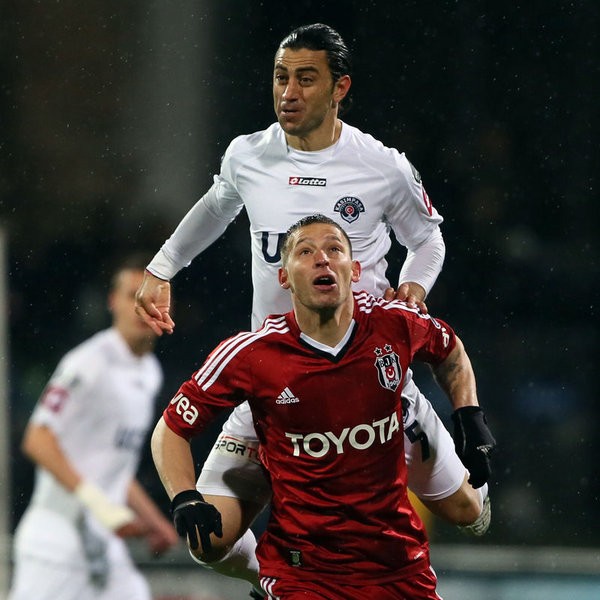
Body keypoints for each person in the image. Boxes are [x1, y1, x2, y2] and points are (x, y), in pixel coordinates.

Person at [135, 22, 495, 596]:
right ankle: (276, 581)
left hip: (370, 377)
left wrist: (413, 288)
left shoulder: (381, 165)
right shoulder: (248, 156)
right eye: (281, 77)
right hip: (275, 381)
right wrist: (161, 269)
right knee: (207, 540)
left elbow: (428, 238)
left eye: (306, 79)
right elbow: (217, 206)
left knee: (467, 513)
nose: (288, 92)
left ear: (339, 88)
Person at [151, 215, 492, 599]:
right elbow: (171, 428)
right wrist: (184, 496)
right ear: (284, 278)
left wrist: (470, 416)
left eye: (334, 248)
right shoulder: (252, 355)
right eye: (305, 252)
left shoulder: (394, 323)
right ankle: (262, 580)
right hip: (303, 573)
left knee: (467, 512)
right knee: (206, 540)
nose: (322, 259)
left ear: (355, 270)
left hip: (396, 563)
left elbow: (449, 351)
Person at [9, 255, 179, 600]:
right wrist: (100, 505)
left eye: (154, 297)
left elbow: (113, 464)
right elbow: (37, 438)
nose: (144, 306)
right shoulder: (88, 363)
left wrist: (154, 520)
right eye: (133, 296)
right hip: (56, 544)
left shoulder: (149, 372)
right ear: (113, 302)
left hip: (102, 543)